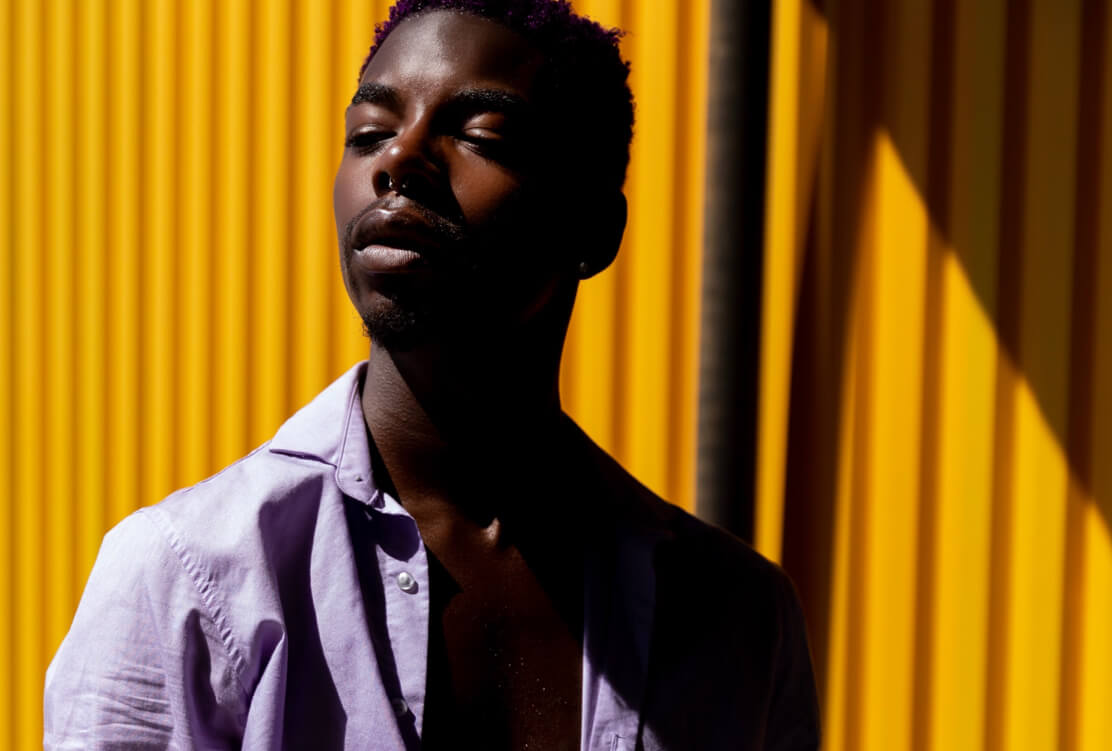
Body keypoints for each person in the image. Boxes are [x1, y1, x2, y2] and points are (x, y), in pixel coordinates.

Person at [44, 1, 821, 748]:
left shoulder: (739, 621)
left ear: (592, 227)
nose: (399, 159)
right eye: (370, 132)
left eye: (482, 135)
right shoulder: (188, 577)